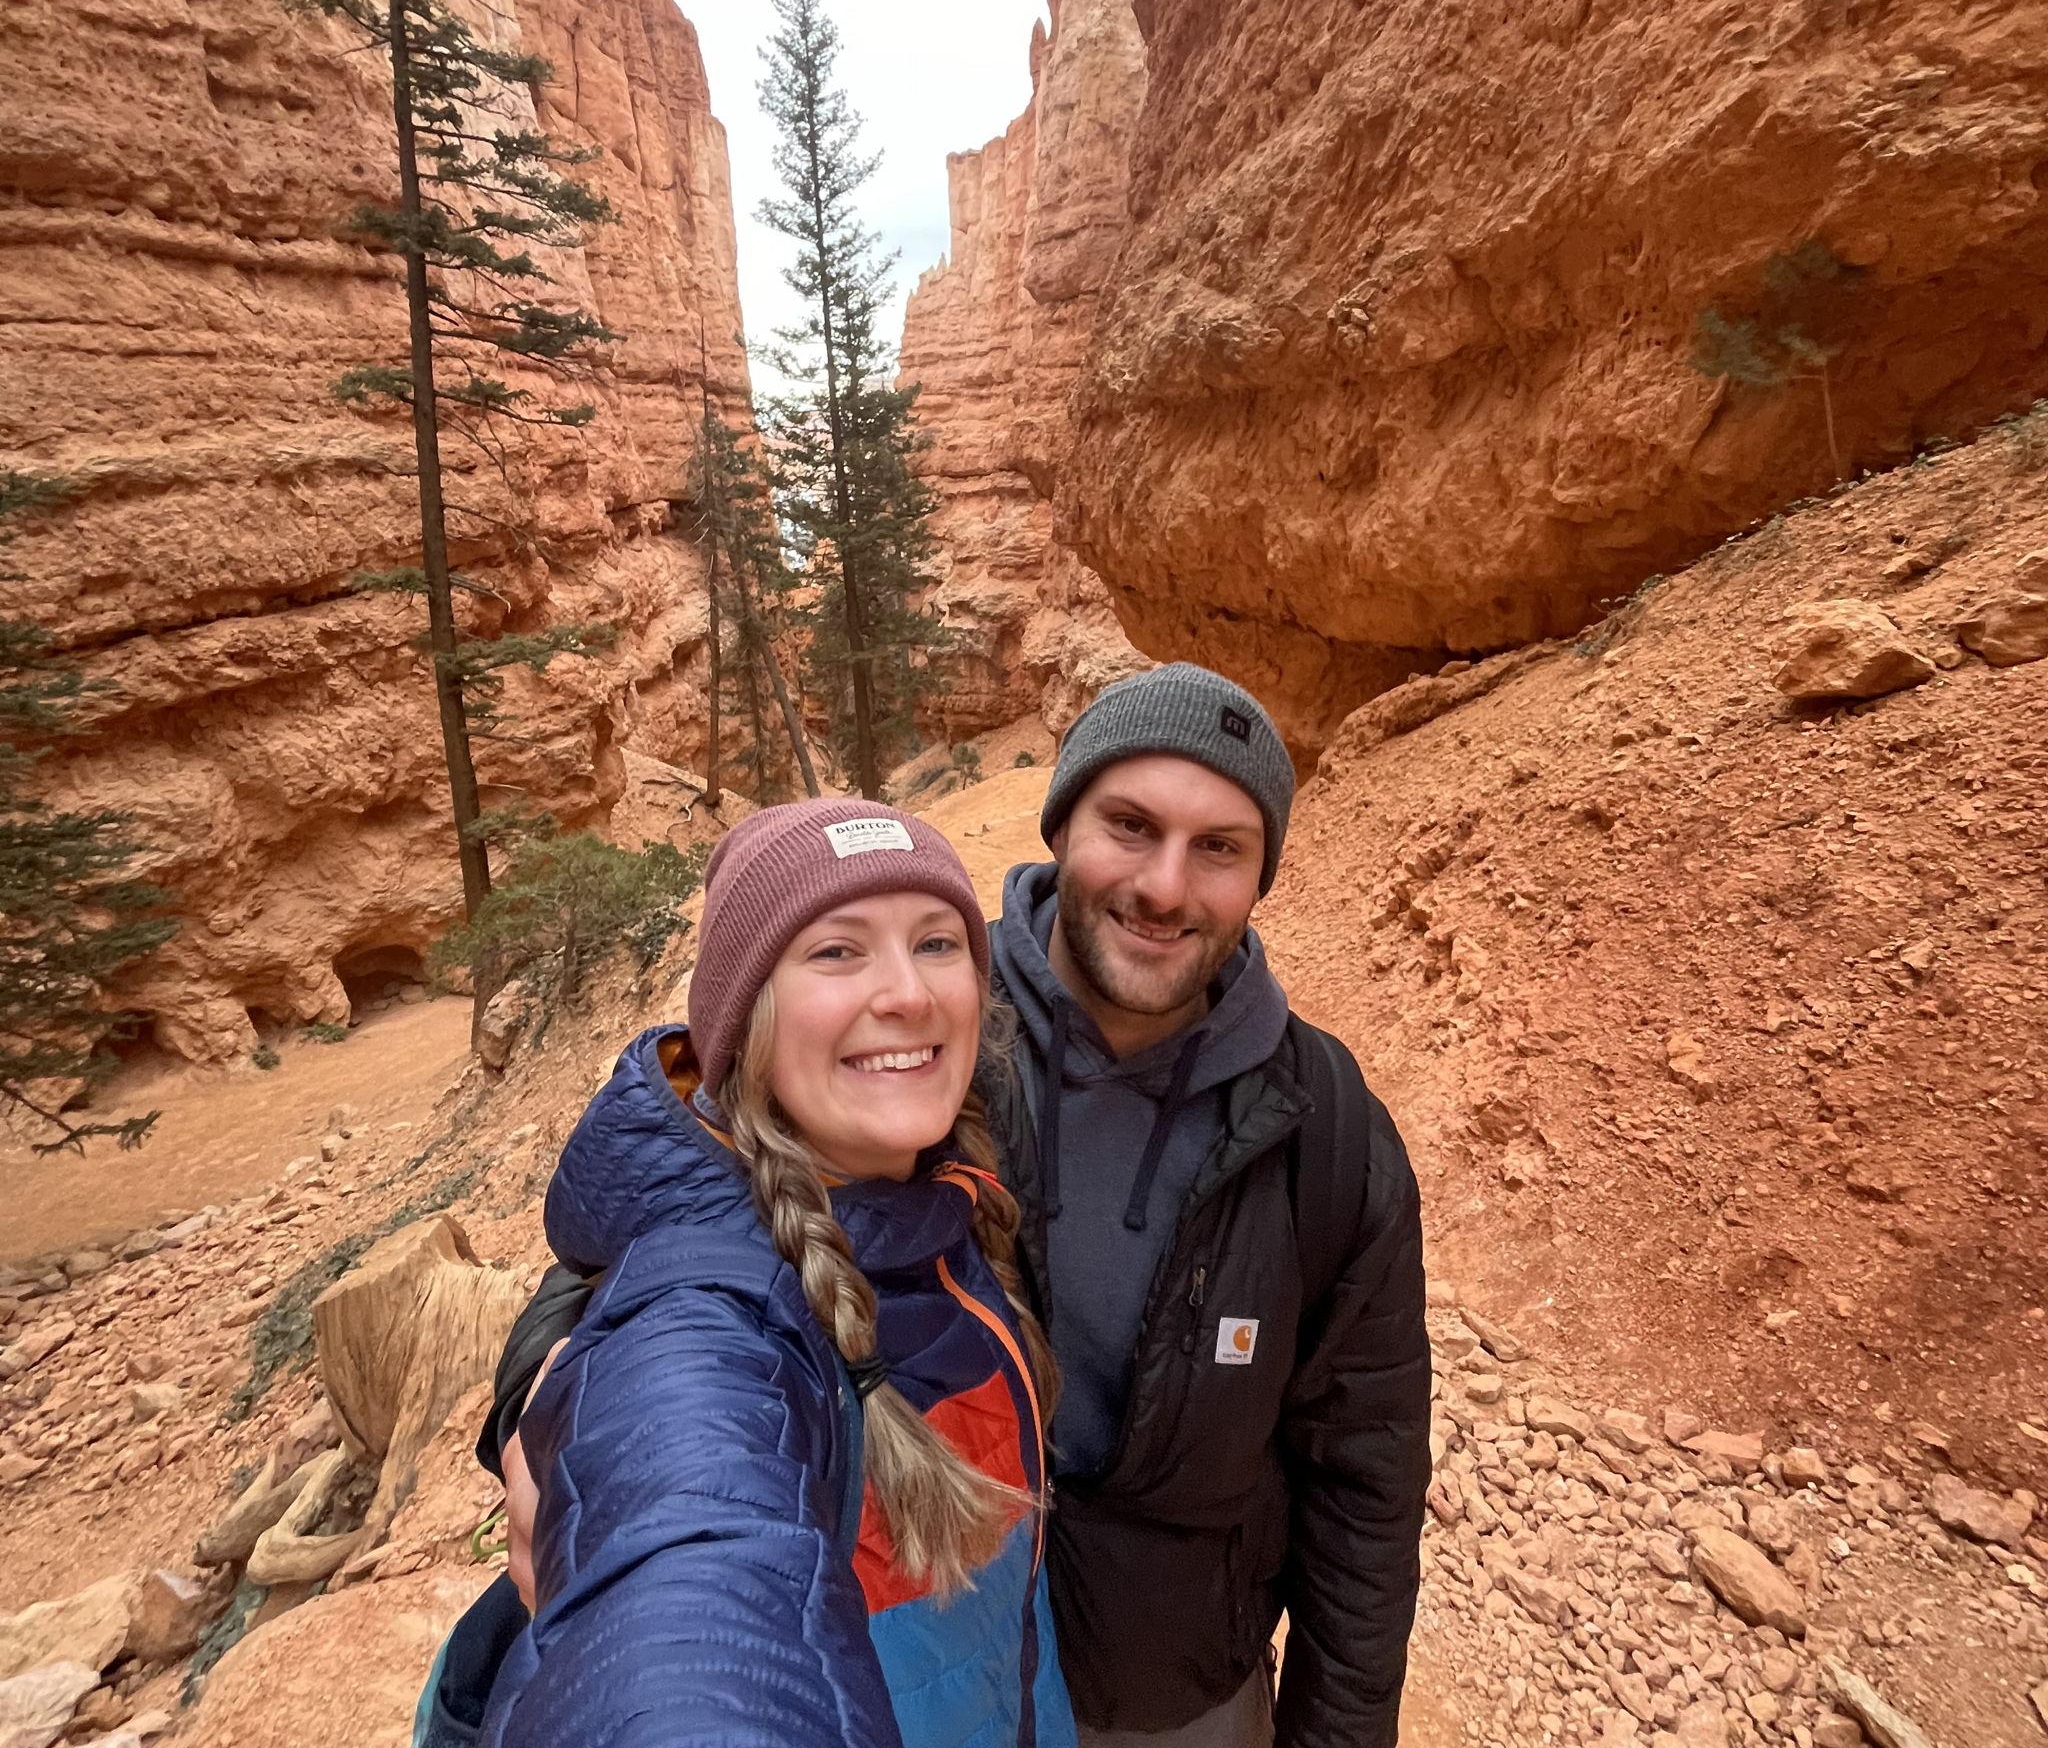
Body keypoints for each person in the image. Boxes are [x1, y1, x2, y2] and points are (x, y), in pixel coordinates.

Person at [486, 664, 1431, 1748]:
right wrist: (548, 1399)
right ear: (1060, 825)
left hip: (1180, 1693)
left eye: (1219, 846)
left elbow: (1365, 1472)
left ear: (1262, 875)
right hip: (924, 1672)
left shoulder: (1322, 1124)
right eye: (1129, 825)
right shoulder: (921, 1035)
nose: (1166, 887)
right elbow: (675, 1204)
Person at [421, 799, 1073, 1748]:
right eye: (837, 951)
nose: (908, 993)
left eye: (936, 943)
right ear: (746, 1016)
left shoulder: (940, 1192)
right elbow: (686, 1633)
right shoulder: (705, 1335)